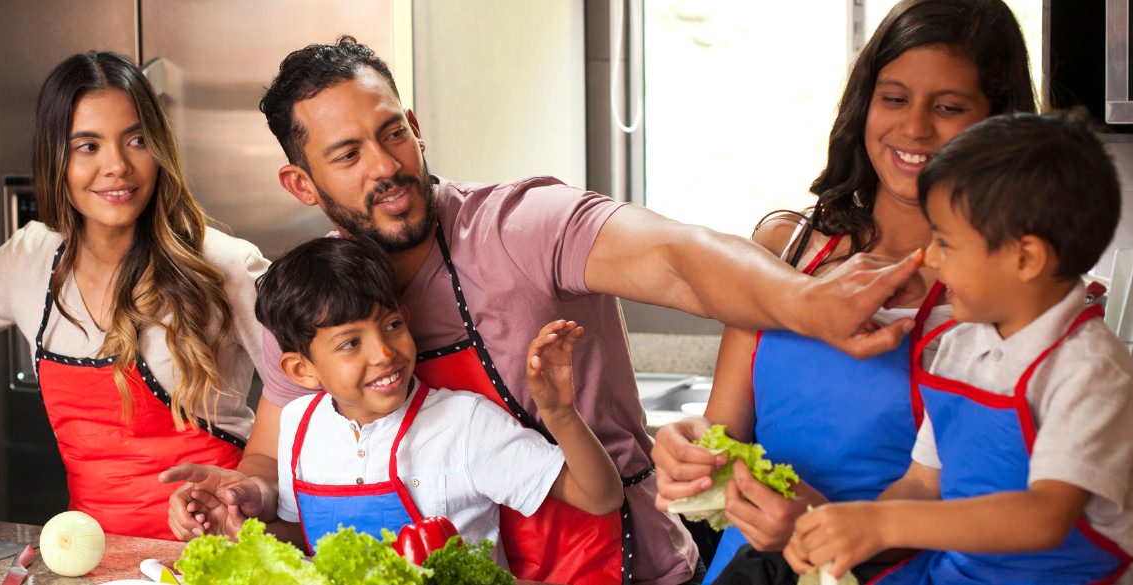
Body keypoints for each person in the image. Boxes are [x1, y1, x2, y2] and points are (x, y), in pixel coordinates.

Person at [160, 36, 923, 585]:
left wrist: (800, 298)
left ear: (416, 127)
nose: (387, 165)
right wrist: (244, 492)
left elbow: (676, 256)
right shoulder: (312, 299)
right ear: (302, 184)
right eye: (348, 154)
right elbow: (284, 450)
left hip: (618, 565)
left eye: (393, 133)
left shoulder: (519, 225)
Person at [649, 1, 1037, 581]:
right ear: (866, 104)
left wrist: (823, 525)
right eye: (895, 98)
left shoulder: (1006, 300)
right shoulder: (786, 251)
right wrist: (689, 448)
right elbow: (725, 431)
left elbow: (996, 511)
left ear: (997, 123)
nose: (914, 128)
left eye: (949, 107)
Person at [0, 51, 269, 539]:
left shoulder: (224, 265)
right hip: (92, 558)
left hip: (222, 549)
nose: (117, 166)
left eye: (137, 140)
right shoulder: (32, 257)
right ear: (56, 157)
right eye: (87, 146)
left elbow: (306, 392)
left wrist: (254, 485)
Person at [785, 110, 1133, 584]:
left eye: (946, 243)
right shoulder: (957, 348)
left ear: (1025, 257)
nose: (929, 258)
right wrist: (846, 533)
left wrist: (882, 523)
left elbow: (1045, 516)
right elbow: (922, 484)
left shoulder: (1089, 370)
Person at [257, 237, 622, 564]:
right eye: (351, 343)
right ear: (302, 370)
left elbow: (600, 497)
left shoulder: (466, 423)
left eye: (392, 325)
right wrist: (233, 527)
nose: (384, 352)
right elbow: (301, 535)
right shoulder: (298, 423)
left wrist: (560, 414)